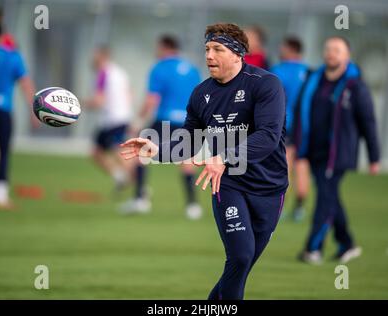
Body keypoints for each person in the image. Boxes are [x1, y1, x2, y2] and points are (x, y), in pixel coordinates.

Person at [120, 23, 288, 300]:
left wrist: (223, 156)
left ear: (237, 53)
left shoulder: (266, 84)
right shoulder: (201, 94)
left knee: (239, 266)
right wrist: (157, 150)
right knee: (241, 256)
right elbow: (190, 140)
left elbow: (268, 137)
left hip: (270, 186)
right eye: (207, 49)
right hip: (228, 183)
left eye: (217, 49)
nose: (209, 55)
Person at [296, 36, 380, 264]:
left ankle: (313, 248)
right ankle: (346, 243)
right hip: (314, 150)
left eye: (337, 50)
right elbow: (300, 111)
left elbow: (368, 122)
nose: (331, 53)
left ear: (347, 56)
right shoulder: (314, 79)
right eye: (328, 49)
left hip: (338, 154)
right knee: (330, 197)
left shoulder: (355, 86)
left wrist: (374, 157)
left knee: (325, 197)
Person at [120, 35, 203, 220]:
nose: (156, 51)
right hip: (188, 120)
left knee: (141, 152)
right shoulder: (192, 69)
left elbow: (152, 99)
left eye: (158, 47)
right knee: (187, 162)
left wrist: (137, 121)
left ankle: (140, 199)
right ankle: (193, 206)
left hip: (165, 119)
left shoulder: (159, 68)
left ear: (165, 47)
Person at [271, 36, 311, 222]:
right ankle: (299, 209)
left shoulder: (278, 71)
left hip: (285, 124)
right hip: (306, 125)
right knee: (302, 165)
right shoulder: (309, 72)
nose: (280, 50)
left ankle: (278, 208)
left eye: (283, 47)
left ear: (290, 49)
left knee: (283, 166)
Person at [0, 21, 37, 210]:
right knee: (4, 152)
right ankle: (2, 195)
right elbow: (26, 85)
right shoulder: (13, 57)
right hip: (3, 110)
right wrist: (35, 110)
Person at [84, 46, 134, 192]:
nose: (93, 59)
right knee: (97, 152)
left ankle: (140, 187)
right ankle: (121, 178)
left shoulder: (103, 73)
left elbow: (99, 101)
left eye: (95, 55)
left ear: (102, 56)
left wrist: (78, 105)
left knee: (118, 154)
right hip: (119, 118)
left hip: (114, 119)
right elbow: (130, 94)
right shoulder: (120, 72)